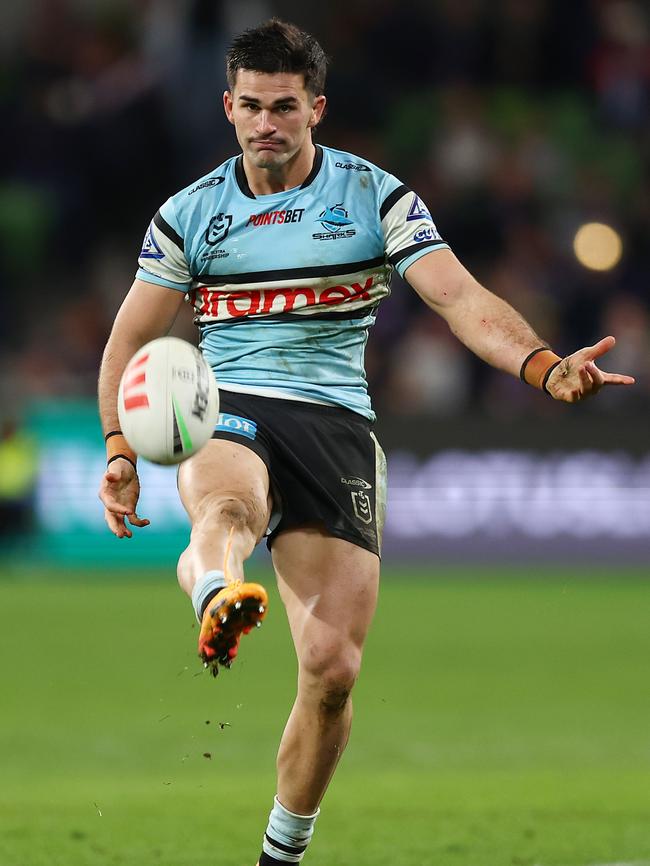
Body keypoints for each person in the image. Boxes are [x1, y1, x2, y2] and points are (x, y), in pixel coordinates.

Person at [97, 19, 635, 866]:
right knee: (228, 503)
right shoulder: (189, 215)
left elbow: (457, 298)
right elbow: (127, 343)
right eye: (249, 106)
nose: (265, 123)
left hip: (337, 424)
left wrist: (539, 365)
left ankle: (281, 853)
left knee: (332, 669)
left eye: (283, 107)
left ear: (316, 107)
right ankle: (216, 595)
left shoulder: (373, 197)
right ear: (227, 107)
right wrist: (121, 450)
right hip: (228, 400)